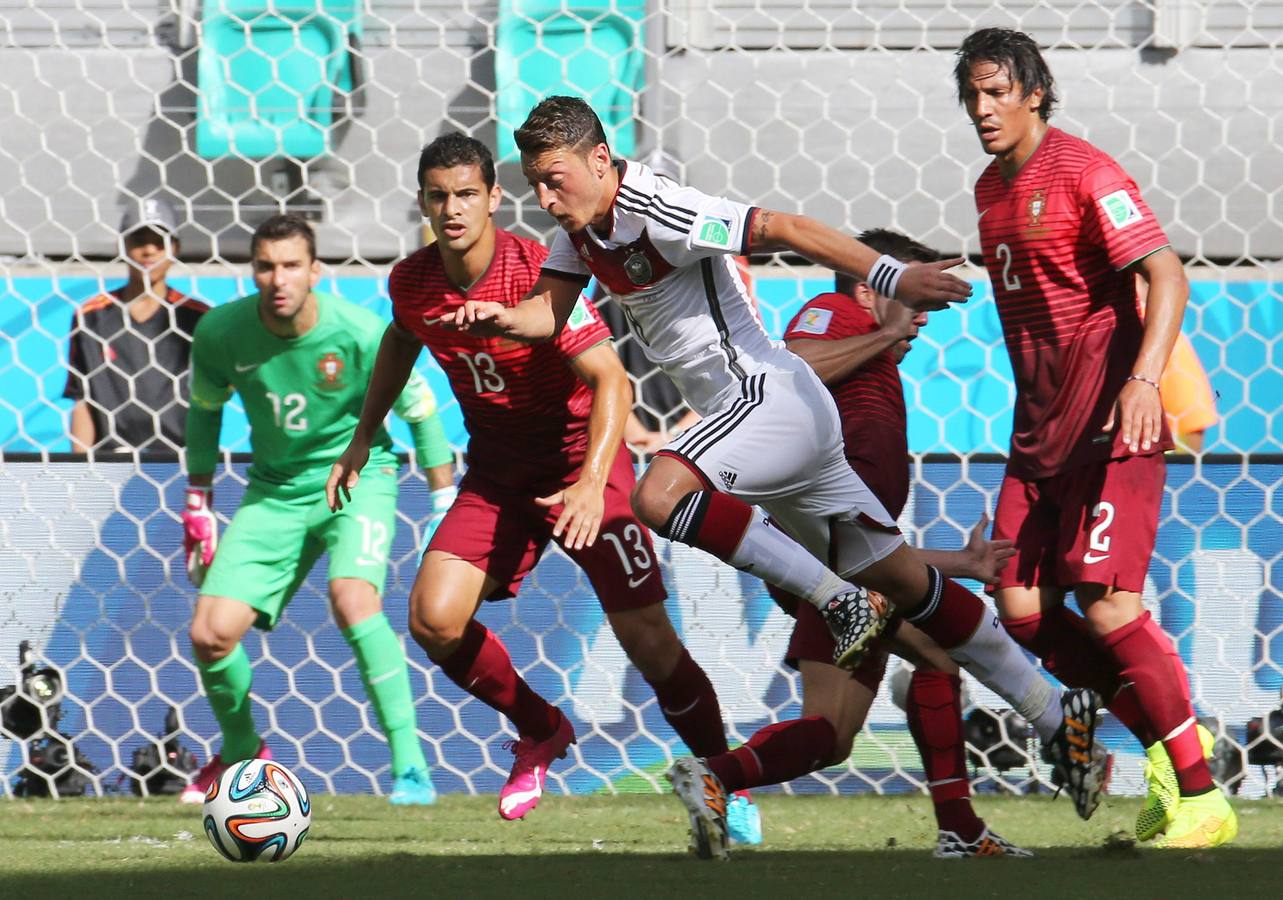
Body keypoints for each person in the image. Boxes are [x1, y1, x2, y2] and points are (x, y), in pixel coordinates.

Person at [445, 96, 1104, 857]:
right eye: (533, 186)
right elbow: (546, 313)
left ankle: (838, 604)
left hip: (766, 398)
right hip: (767, 430)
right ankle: (1056, 711)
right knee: (908, 583)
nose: (546, 199)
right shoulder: (580, 228)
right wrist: (492, 317)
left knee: (659, 493)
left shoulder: (658, 204)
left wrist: (892, 274)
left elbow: (783, 228)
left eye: (554, 180)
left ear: (599, 160)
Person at [326, 133, 761, 839]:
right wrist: (364, 433)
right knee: (434, 620)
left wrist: (592, 484)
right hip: (499, 476)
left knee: (648, 641)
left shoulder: (539, 270)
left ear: (494, 198)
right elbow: (401, 339)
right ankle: (540, 728)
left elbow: (610, 379)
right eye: (438, 196)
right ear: (422, 202)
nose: (452, 208)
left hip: (581, 463)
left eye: (466, 193)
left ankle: (729, 784)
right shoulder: (411, 282)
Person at [676, 230, 1101, 859]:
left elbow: (873, 537)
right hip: (820, 538)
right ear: (874, 286)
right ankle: (1046, 722)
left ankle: (717, 777)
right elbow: (795, 362)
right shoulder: (838, 313)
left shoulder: (872, 364)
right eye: (914, 293)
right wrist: (883, 332)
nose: (922, 315)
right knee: (937, 645)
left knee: (835, 731)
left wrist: (960, 562)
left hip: (836, 550)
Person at [956, 26, 1236, 848]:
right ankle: (1170, 737)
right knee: (1019, 605)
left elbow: (1164, 271)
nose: (982, 109)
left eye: (997, 91)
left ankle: (1203, 797)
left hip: (1112, 421)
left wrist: (1144, 380)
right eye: (972, 94)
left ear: (1035, 91)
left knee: (1108, 605)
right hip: (1036, 433)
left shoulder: (1085, 171)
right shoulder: (986, 188)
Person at [179, 213, 456, 807]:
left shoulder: (357, 331)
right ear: (252, 271)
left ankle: (410, 765)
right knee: (209, 635)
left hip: (359, 478)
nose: (278, 279)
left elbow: (420, 409)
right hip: (274, 490)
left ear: (314, 271)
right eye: (266, 267)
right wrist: (197, 499)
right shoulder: (220, 333)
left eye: (291, 266)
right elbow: (204, 412)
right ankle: (241, 754)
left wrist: (441, 498)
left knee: (353, 598)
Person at [65, 198, 208, 454]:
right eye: (139, 240)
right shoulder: (91, 317)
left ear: (175, 248)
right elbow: (82, 400)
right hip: (110, 459)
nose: (149, 251)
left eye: (159, 241)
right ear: (122, 246)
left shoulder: (197, 318)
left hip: (178, 461)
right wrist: (80, 471)